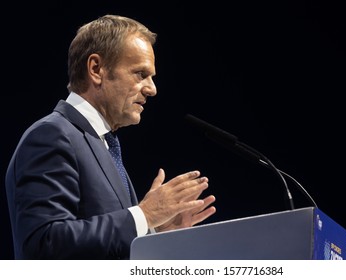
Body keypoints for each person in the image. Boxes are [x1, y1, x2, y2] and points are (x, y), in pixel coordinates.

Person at [5, 14, 216, 260]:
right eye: (140, 74)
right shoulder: (52, 135)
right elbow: (44, 244)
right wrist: (144, 215)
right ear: (96, 69)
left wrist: (151, 229)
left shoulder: (103, 142)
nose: (152, 89)